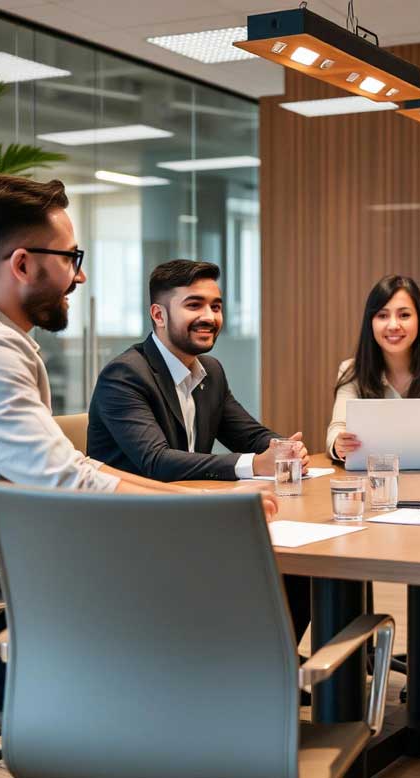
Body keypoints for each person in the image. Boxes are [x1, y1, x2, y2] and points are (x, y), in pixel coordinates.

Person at [0, 175, 277, 718]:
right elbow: (68, 483)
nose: (79, 275)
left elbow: (72, 466)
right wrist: (213, 514)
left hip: (7, 612)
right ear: (22, 265)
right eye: (71, 258)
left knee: (210, 609)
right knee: (218, 631)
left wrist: (205, 502)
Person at [87, 259, 311, 643]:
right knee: (279, 565)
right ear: (159, 315)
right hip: (137, 536)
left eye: (216, 306)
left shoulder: (210, 371)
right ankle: (248, 662)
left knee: (302, 566)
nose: (209, 316)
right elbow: (156, 461)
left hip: (191, 519)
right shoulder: (125, 375)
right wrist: (256, 464)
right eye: (194, 305)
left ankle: (263, 663)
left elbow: (248, 434)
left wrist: (284, 449)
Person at [326, 275, 420, 464]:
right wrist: (339, 444)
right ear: (370, 322)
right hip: (374, 477)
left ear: (419, 319)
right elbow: (336, 431)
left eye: (404, 315)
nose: (393, 325)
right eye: (382, 316)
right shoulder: (352, 370)